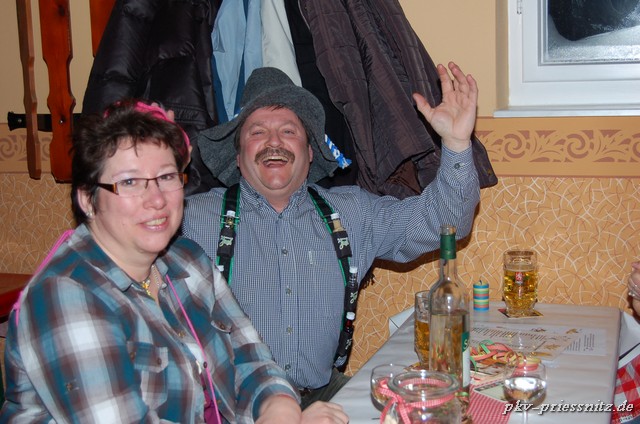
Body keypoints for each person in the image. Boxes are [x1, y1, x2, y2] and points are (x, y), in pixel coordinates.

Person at [0, 99, 348, 424]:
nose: (156, 199)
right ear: (88, 199)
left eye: (167, 177)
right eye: (130, 182)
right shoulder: (65, 297)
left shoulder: (187, 261)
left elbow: (251, 359)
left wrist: (280, 410)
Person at [182, 63, 481, 407]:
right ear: (238, 156)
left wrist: (456, 143)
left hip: (322, 396)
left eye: (289, 131)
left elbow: (444, 222)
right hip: (230, 404)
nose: (274, 142)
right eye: (257, 132)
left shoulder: (352, 213)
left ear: (311, 153)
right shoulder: (192, 219)